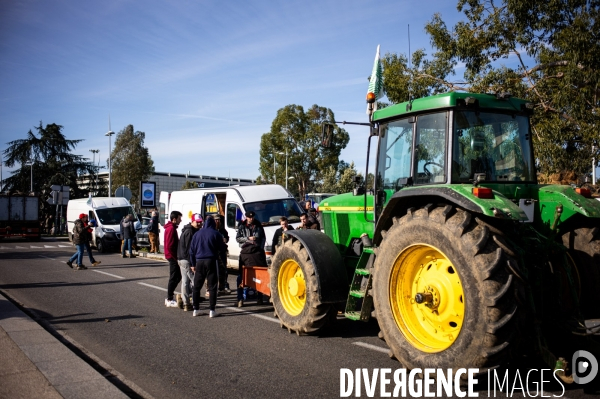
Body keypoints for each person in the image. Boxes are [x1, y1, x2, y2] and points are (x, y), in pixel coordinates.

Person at [189, 215, 225, 318]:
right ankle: (212, 310)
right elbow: (221, 249)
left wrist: (192, 264)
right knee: (212, 286)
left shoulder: (197, 234)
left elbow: (191, 251)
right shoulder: (216, 234)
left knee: (197, 286)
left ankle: (196, 309)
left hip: (199, 261)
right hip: (211, 260)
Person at [235, 211, 267, 307]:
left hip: (257, 252)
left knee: (260, 276)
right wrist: (248, 238)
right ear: (246, 217)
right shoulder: (242, 225)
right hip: (246, 252)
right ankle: (240, 299)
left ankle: (260, 297)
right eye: (249, 217)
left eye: (252, 217)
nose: (251, 219)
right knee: (241, 277)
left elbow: (263, 238)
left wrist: (260, 247)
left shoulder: (258, 225)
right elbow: (238, 238)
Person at [176, 213, 202, 311]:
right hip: (186, 260)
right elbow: (189, 249)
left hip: (182, 258)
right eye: (197, 222)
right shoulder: (190, 232)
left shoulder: (188, 230)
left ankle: (185, 300)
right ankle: (189, 301)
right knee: (195, 281)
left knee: (185, 281)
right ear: (192, 221)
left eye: (200, 222)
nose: (199, 224)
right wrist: (192, 263)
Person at [164, 210, 182, 308]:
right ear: (174, 219)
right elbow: (171, 245)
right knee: (174, 276)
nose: (181, 220)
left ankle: (169, 297)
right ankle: (169, 298)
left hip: (171, 255)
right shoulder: (171, 229)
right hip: (172, 256)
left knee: (177, 276)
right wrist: (175, 258)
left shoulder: (171, 228)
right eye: (179, 218)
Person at [214, 214, 231, 294]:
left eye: (218, 220)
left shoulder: (223, 230)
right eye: (216, 220)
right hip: (214, 253)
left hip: (222, 252)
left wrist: (225, 239)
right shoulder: (212, 229)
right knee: (214, 271)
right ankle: (213, 287)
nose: (217, 221)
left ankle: (223, 286)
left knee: (224, 270)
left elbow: (227, 237)